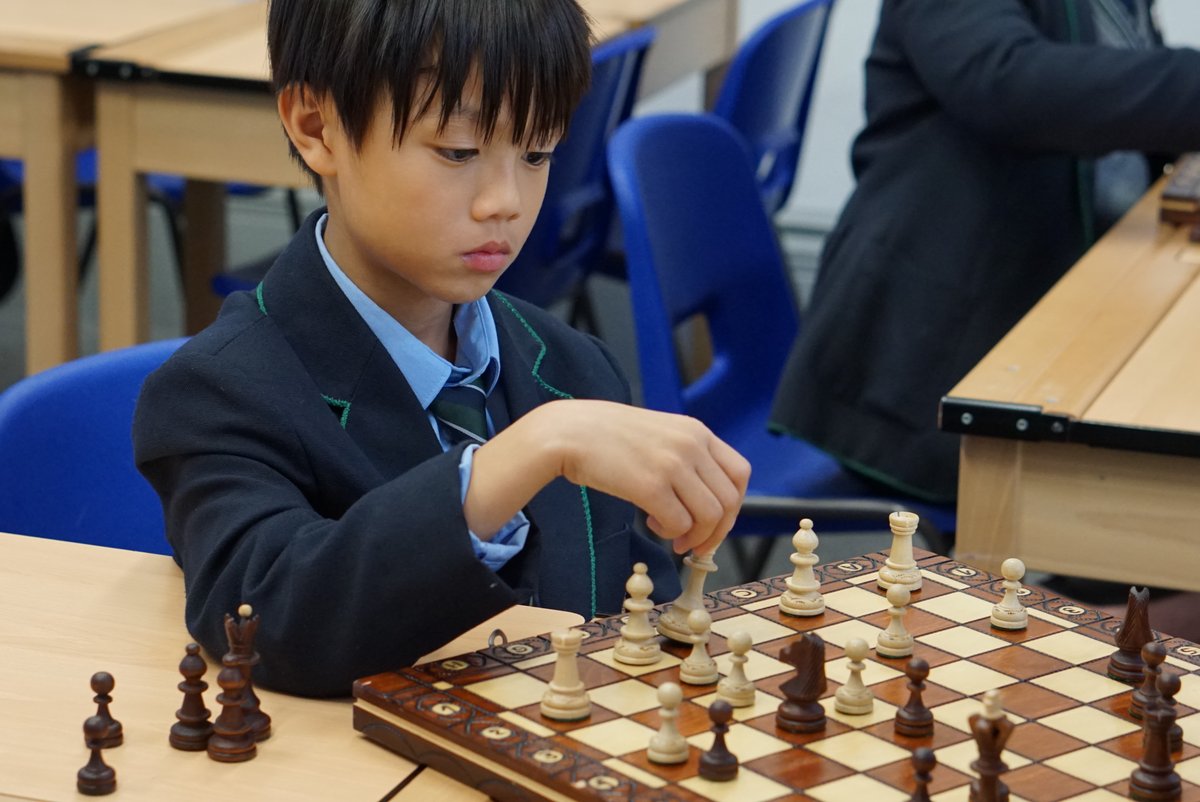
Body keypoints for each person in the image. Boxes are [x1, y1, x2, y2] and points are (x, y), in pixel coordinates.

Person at [133, 0, 750, 697]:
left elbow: (641, 616)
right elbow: (267, 621)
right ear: (316, 127)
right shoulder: (217, 391)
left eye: (537, 153)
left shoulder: (574, 367)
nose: (504, 202)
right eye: (458, 151)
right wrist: (525, 453)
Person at [770, 0, 1200, 503]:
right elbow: (1009, 84)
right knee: (1159, 485)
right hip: (939, 359)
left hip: (1076, 294)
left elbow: (1126, 66)